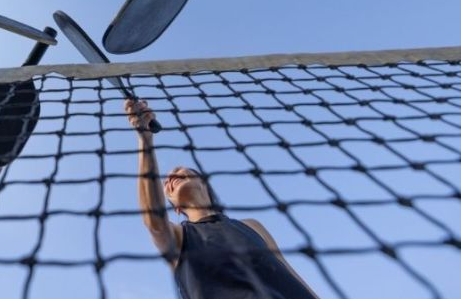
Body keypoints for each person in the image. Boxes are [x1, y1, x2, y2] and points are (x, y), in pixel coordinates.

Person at [124, 99, 320, 299]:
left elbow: (290, 275)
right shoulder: (179, 237)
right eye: (166, 184)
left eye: (179, 171)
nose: (170, 178)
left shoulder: (253, 226)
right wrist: (145, 139)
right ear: (176, 208)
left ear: (203, 181)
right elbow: (154, 222)